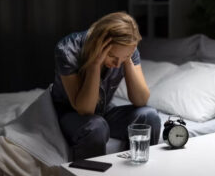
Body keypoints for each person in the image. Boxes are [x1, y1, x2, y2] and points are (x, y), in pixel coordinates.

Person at [51, 11, 161, 161]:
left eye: (123, 58)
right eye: (112, 57)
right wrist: (95, 64)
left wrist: (127, 59)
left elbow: (141, 100)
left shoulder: (127, 51)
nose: (117, 65)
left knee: (149, 116)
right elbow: (85, 109)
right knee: (96, 126)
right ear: (98, 43)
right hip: (71, 114)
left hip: (103, 112)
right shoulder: (67, 49)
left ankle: (137, 173)